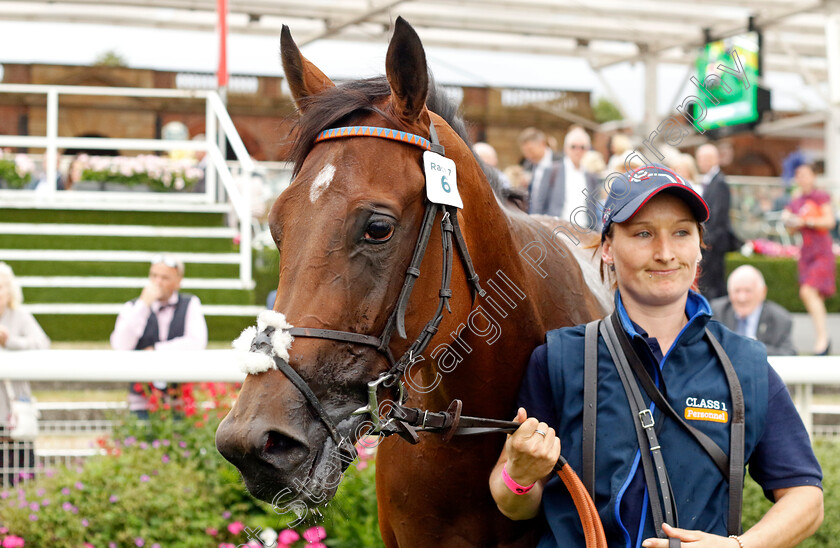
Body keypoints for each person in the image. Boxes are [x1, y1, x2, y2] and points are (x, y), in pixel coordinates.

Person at [490, 164, 823, 547]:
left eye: (681, 232)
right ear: (609, 248)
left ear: (699, 247)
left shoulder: (744, 364)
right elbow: (513, 503)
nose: (665, 253)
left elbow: (806, 497)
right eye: (644, 233)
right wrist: (520, 474)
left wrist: (738, 546)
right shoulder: (558, 358)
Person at [110, 255, 207, 417]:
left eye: (164, 277)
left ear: (178, 281)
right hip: (141, 400)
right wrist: (143, 305)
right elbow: (120, 344)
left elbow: (197, 342)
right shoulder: (132, 307)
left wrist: (155, 350)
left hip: (179, 401)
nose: (157, 282)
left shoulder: (191, 304)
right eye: (153, 276)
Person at [0, 262, 50, 487]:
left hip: (14, 409)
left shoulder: (20, 316)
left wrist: (10, 342)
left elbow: (42, 344)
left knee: (21, 477)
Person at [783, 161, 836, 355]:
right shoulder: (795, 200)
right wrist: (789, 220)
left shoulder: (820, 196)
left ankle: (823, 340)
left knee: (808, 291)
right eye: (798, 175)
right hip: (806, 253)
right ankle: (822, 339)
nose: (801, 178)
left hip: (821, 251)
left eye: (805, 174)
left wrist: (805, 220)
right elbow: (790, 228)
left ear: (813, 176)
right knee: (813, 295)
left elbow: (829, 221)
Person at [520, 127, 600, 224]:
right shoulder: (552, 171)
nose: (578, 151)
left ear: (587, 150)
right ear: (566, 148)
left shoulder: (591, 177)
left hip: (584, 233)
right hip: (556, 233)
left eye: (582, 147)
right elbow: (539, 204)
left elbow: (593, 210)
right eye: (573, 146)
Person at [710, 265, 796, 356]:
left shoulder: (779, 318)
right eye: (737, 291)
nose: (742, 298)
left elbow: (789, 354)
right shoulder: (717, 311)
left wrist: (754, 348)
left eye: (748, 291)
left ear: (763, 292)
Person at [695, 143, 738, 300]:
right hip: (711, 243)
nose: (699, 162)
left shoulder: (719, 182)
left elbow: (718, 217)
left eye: (702, 158)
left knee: (713, 287)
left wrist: (706, 242)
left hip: (714, 244)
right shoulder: (711, 181)